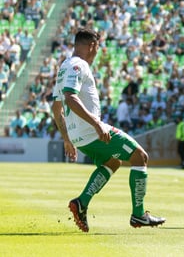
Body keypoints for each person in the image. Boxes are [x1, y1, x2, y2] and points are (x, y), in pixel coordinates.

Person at [51, 28, 165, 233]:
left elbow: (56, 107)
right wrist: (96, 124)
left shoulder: (64, 68)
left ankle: (82, 202)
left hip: (79, 136)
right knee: (140, 156)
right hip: (91, 131)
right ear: (92, 46)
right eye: (96, 49)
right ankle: (139, 214)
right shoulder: (79, 65)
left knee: (112, 162)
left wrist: (67, 138)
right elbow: (70, 97)